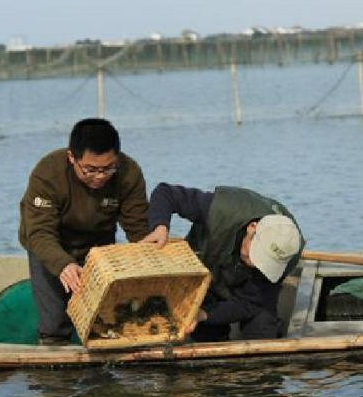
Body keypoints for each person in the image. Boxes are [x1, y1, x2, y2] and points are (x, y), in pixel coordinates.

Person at [19, 118, 149, 345]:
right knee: (54, 324)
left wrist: (153, 251)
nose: (99, 176)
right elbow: (39, 232)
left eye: (108, 168)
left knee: (104, 322)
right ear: (72, 158)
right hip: (51, 244)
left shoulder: (129, 173)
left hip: (98, 244)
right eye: (90, 169)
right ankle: (53, 364)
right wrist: (63, 264)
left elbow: (138, 229)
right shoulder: (47, 173)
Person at [141, 183, 305, 341]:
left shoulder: (288, 253)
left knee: (262, 328)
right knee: (205, 332)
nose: (254, 264)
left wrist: (205, 314)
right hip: (208, 271)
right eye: (254, 253)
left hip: (250, 290)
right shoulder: (219, 210)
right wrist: (160, 226)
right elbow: (166, 193)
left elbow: (251, 302)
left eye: (264, 261)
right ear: (252, 228)